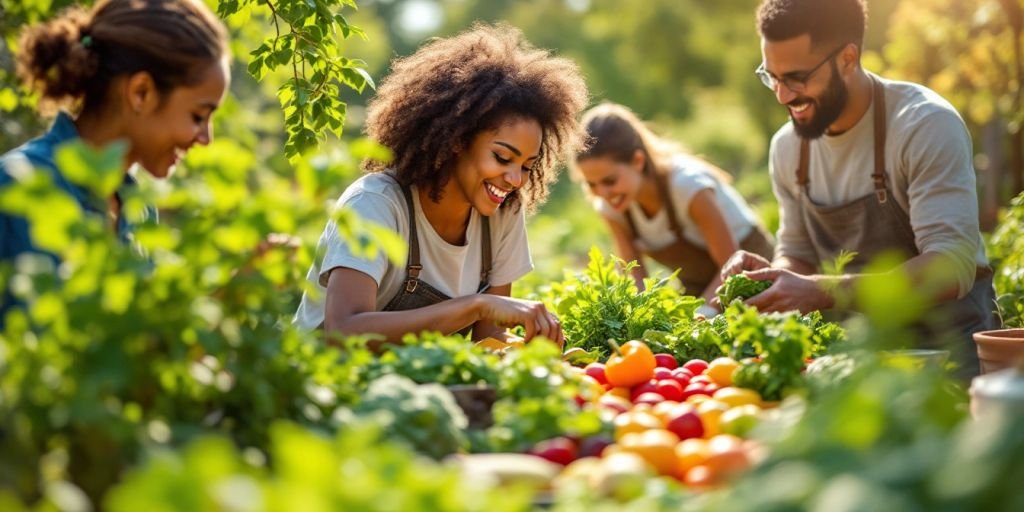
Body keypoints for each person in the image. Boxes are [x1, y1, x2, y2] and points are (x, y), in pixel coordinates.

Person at [722, 0, 998, 375]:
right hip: (854, 362)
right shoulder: (789, 148)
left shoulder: (923, 125)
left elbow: (950, 267)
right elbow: (798, 251)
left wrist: (822, 290)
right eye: (771, 77)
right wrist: (773, 280)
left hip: (947, 353)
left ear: (848, 59)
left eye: (797, 78)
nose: (783, 96)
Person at [293, 24, 587, 347]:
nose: (515, 179)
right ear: (457, 141)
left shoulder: (503, 215)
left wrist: (530, 353)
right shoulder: (376, 204)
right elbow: (343, 331)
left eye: (527, 166)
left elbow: (487, 341)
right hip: (318, 387)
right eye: (503, 158)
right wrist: (474, 306)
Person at [0, 0, 230, 323]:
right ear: (141, 93)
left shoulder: (139, 210)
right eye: (198, 116)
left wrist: (228, 299)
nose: (206, 138)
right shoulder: (17, 186)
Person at [572, 102, 774, 303]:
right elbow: (635, 277)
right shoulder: (610, 207)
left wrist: (705, 311)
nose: (603, 192)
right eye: (591, 184)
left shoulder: (687, 186)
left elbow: (730, 265)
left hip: (753, 273)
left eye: (610, 181)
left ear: (637, 161)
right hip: (700, 287)